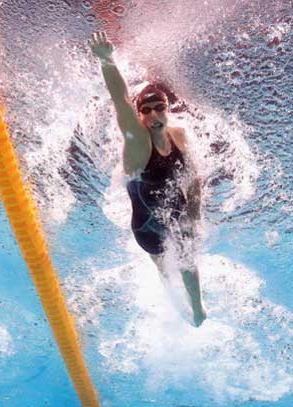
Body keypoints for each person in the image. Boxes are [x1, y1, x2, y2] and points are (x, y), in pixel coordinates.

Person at [88, 31, 207, 326]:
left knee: (188, 258)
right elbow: (120, 101)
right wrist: (106, 61)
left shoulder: (178, 134)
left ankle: (197, 308)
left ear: (167, 109)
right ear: (140, 115)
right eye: (146, 110)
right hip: (147, 225)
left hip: (177, 210)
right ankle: (170, 293)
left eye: (159, 108)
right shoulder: (139, 142)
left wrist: (194, 212)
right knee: (164, 268)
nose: (153, 114)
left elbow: (193, 178)